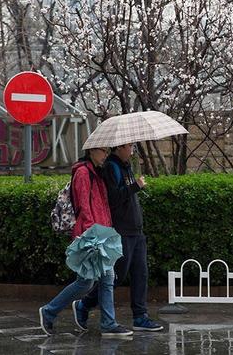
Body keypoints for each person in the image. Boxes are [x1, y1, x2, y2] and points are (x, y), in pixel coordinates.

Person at [39, 148, 133, 337]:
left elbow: (103, 205)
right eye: (103, 151)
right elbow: (84, 206)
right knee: (86, 282)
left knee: (107, 279)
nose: (106, 154)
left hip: (103, 233)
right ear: (91, 151)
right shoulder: (83, 172)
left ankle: (108, 323)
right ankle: (48, 311)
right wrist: (93, 233)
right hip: (91, 235)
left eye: (107, 151)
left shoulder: (97, 172)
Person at [73, 143, 163, 332]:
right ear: (120, 147)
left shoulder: (126, 165)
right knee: (117, 276)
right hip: (122, 230)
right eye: (130, 146)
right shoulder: (111, 167)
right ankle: (84, 305)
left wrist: (134, 185)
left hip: (136, 230)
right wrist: (135, 187)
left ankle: (140, 316)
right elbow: (113, 198)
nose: (132, 150)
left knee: (141, 274)